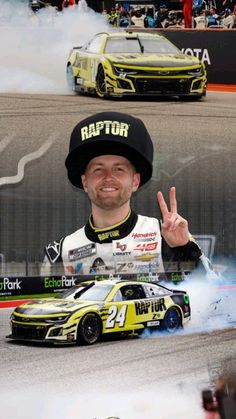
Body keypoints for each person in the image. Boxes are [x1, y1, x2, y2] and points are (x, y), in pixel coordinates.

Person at [41, 111, 210, 279]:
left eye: (119, 169)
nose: (108, 177)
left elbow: (215, 295)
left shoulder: (166, 235)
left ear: (135, 181)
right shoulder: (60, 254)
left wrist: (183, 249)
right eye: (98, 169)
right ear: (85, 182)